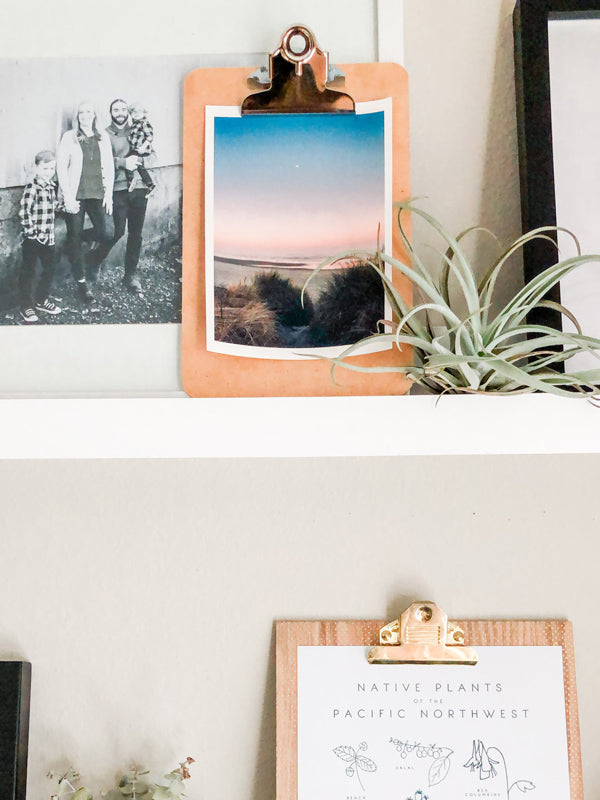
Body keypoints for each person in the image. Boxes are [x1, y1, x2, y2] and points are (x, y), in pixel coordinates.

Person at [86, 98, 152, 294]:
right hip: (118, 189)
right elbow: (98, 161)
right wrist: (123, 163)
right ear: (111, 112)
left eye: (124, 109)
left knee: (136, 234)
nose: (121, 112)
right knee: (116, 232)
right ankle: (94, 259)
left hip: (139, 188)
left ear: (128, 112)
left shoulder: (139, 130)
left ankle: (130, 275)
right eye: (116, 109)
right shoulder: (104, 135)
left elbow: (154, 154)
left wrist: (141, 157)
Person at [57, 101, 114, 305]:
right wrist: (67, 197)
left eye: (89, 111)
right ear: (77, 116)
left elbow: (109, 166)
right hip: (76, 194)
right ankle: (82, 285)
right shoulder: (69, 137)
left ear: (94, 114)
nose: (85, 115)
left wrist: (108, 195)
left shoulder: (102, 136)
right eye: (81, 112)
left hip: (97, 193)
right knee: (75, 237)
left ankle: (75, 247)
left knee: (106, 232)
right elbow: (62, 168)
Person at [17, 150, 62, 323]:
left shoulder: (51, 187)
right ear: (36, 168)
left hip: (48, 237)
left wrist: (61, 206)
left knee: (49, 268)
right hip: (33, 238)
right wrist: (32, 233)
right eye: (45, 168)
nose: (49, 171)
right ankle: (25, 304)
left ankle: (42, 299)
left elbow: (51, 209)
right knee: (28, 270)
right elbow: (24, 212)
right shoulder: (32, 188)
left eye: (52, 168)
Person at [125, 102, 155, 195]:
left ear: (144, 113)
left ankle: (132, 180)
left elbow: (150, 136)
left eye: (139, 111)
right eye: (134, 112)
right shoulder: (134, 125)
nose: (136, 113)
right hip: (135, 149)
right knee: (132, 162)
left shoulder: (144, 123)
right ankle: (149, 184)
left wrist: (143, 147)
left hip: (142, 149)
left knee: (130, 161)